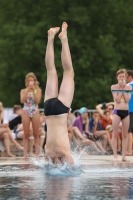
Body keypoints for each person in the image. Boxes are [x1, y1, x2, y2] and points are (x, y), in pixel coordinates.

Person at [44, 22, 74, 164]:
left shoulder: (64, 153)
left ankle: (64, 39)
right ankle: (50, 38)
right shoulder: (48, 153)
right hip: (48, 109)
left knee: (68, 73)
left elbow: (74, 168)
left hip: (61, 111)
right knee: (50, 72)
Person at [111, 69, 132, 161]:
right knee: (115, 134)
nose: (122, 78)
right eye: (120, 77)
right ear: (117, 78)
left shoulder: (129, 88)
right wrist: (121, 89)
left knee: (125, 134)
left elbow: (127, 100)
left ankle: (124, 156)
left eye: (123, 76)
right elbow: (117, 99)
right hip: (117, 111)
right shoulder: (114, 87)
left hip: (126, 112)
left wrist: (124, 89)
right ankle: (115, 155)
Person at [20, 72, 42, 158]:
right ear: (27, 82)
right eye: (29, 81)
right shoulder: (23, 90)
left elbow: (37, 101)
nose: (30, 82)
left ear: (34, 81)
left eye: (32, 81)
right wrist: (28, 91)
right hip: (26, 110)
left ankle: (37, 153)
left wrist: (33, 90)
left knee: (36, 134)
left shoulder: (38, 90)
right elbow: (22, 101)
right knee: (26, 134)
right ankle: (25, 154)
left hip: (35, 110)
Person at [126, 70, 133, 155]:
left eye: (126, 76)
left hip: (130, 110)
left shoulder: (128, 86)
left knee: (129, 131)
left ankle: (129, 150)